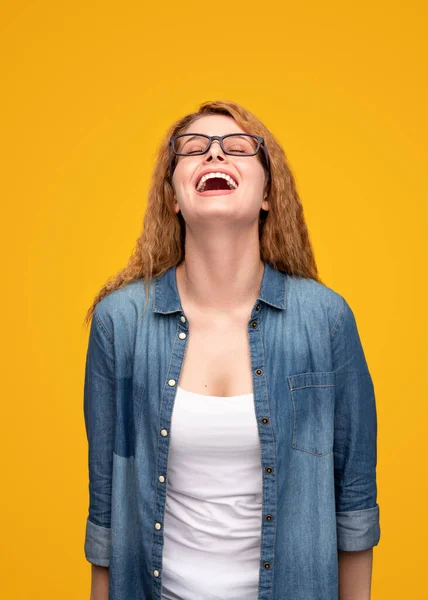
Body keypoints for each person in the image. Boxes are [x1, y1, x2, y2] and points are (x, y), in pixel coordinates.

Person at [82, 99, 381, 600]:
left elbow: (354, 508)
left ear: (269, 193)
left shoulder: (326, 320)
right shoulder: (120, 324)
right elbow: (106, 518)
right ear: (174, 198)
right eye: (193, 149)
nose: (214, 155)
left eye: (238, 148)